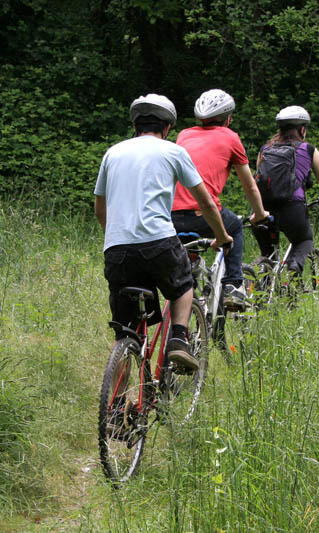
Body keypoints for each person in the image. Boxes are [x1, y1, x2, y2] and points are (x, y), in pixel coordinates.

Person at [94, 93, 233, 371]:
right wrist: (222, 235)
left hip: (117, 249)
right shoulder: (173, 152)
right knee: (183, 287)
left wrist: (118, 239)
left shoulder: (113, 153)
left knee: (125, 331)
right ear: (167, 127)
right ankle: (179, 341)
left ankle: (116, 406)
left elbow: (100, 209)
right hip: (159, 242)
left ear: (135, 125)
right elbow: (205, 201)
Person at [171, 89, 269, 310]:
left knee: (188, 262)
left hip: (171, 216)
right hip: (203, 214)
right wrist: (260, 213)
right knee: (234, 226)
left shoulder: (184, 135)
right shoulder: (230, 137)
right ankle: (233, 286)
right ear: (228, 118)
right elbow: (249, 184)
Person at [251, 105, 319, 273]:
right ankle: (294, 267)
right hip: (291, 208)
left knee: (268, 256)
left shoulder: (265, 150)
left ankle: (262, 295)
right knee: (304, 240)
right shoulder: (308, 149)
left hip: (261, 209)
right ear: (302, 129)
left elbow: (255, 182)